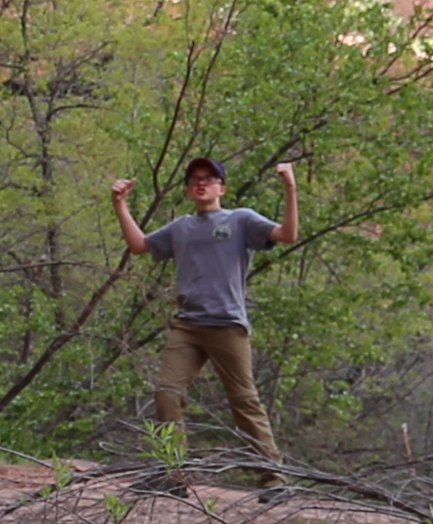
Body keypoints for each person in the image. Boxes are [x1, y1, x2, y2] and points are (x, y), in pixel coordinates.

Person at [112, 151, 300, 468]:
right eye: (195, 180)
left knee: (244, 402)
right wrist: (120, 204)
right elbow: (139, 245)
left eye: (209, 179)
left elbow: (288, 234)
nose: (202, 184)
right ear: (188, 189)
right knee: (166, 394)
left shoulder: (241, 219)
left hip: (227, 324)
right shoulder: (181, 227)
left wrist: (290, 187)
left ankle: (273, 477)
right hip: (187, 326)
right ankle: (173, 473)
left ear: (221, 188)